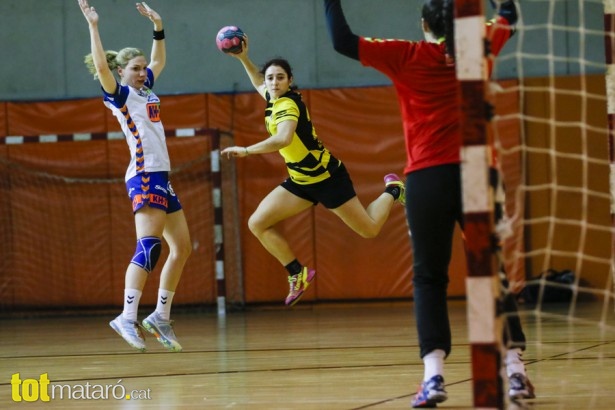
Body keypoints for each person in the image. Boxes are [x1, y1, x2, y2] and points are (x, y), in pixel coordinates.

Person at [324, 0, 535, 407]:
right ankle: (515, 373)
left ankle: (434, 377)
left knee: (428, 278)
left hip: (427, 177)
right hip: (479, 174)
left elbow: (341, 41)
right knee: (494, 273)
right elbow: (510, 14)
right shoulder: (482, 43)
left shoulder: (406, 55)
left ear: (423, 24)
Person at [220, 36, 405, 307]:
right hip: (300, 180)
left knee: (369, 230)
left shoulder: (288, 105)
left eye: (279, 77)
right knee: (257, 223)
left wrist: (246, 151)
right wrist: (243, 59)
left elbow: (283, 139)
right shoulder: (272, 97)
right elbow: (258, 83)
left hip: (328, 179)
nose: (272, 82)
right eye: (270, 77)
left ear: (290, 80)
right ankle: (297, 273)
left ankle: (393, 189)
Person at [78, 0, 191, 352]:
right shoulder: (121, 95)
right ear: (121, 72)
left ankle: (159, 316)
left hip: (161, 176)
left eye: (142, 69)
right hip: (144, 174)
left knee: (182, 248)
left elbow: (159, 60)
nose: (143, 73)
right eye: (136, 68)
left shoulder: (145, 89)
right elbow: (100, 65)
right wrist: (94, 26)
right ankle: (126, 317)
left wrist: (158, 25)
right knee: (148, 246)